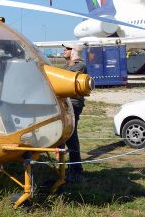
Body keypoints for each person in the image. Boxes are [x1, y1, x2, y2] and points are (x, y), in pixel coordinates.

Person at [62, 42, 87, 183]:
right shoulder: (67, 66)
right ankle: (68, 168)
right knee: (65, 136)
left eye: (67, 48)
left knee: (71, 136)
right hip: (65, 104)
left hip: (74, 105)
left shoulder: (80, 66)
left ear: (74, 51)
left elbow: (65, 78)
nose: (64, 50)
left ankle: (76, 170)